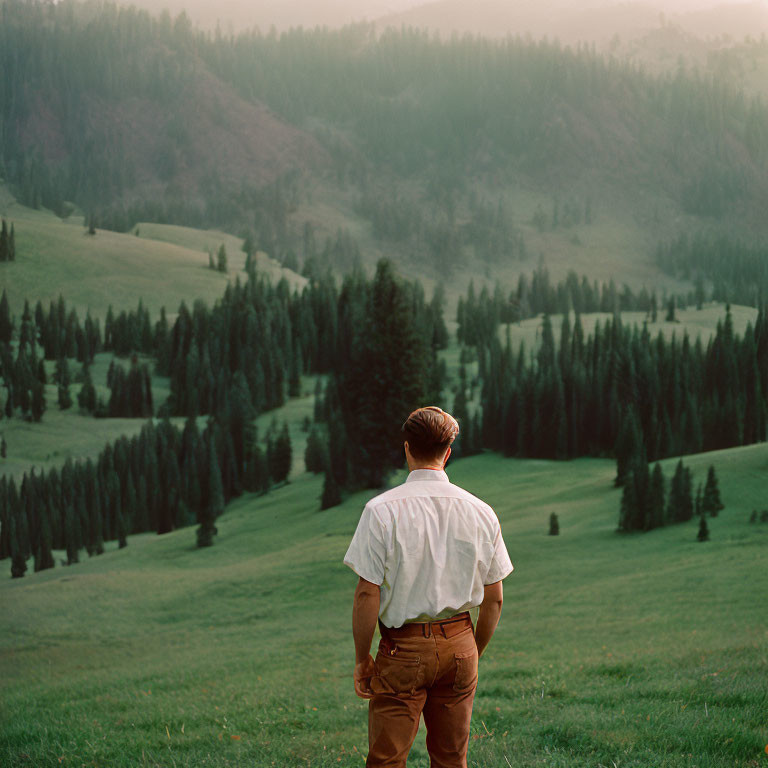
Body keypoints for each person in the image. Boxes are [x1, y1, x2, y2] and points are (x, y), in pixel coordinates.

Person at [343, 405, 514, 768]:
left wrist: (362, 659)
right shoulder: (481, 511)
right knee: (451, 759)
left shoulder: (380, 511)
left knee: (387, 760)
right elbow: (494, 600)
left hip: (402, 648)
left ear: (407, 448)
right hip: (461, 644)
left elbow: (366, 593)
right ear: (448, 452)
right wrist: (472, 651)